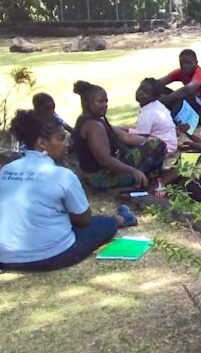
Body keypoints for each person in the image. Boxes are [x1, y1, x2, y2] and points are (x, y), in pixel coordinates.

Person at [0, 110, 137, 272]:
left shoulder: (5, 170)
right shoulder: (63, 175)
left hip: (4, 258)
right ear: (42, 143)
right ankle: (122, 219)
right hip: (50, 256)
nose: (67, 144)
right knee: (101, 224)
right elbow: (84, 219)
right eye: (61, 138)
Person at [71, 81, 165, 190]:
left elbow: (123, 136)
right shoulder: (94, 126)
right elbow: (105, 160)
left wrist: (146, 140)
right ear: (87, 103)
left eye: (106, 101)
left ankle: (147, 178)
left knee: (152, 143)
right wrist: (133, 171)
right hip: (100, 178)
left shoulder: (88, 119)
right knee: (158, 145)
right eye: (100, 101)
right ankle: (150, 181)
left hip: (99, 173)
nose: (105, 105)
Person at [158, 49, 201, 125]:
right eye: (182, 63)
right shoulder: (181, 72)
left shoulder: (200, 74)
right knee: (160, 89)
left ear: (196, 62)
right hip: (196, 107)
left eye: (188, 63)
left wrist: (166, 99)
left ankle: (172, 123)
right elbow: (160, 82)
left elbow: (187, 90)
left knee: (182, 97)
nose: (185, 66)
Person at [133, 78, 178, 154]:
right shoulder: (156, 105)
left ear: (154, 97)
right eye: (141, 88)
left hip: (164, 148)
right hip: (170, 144)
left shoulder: (148, 113)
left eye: (146, 92)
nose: (141, 93)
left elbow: (140, 138)